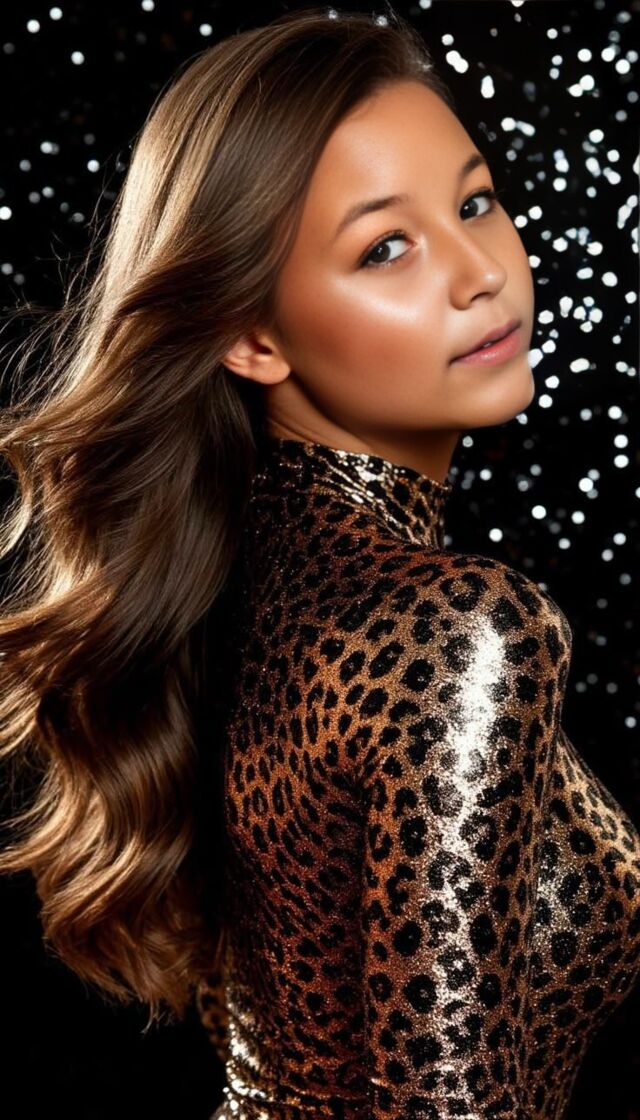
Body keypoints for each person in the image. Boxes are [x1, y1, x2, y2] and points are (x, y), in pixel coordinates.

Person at [0, 6, 638, 1119]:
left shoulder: (231, 586)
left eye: (475, 202)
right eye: (385, 247)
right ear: (252, 337)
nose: (479, 272)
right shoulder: (460, 628)